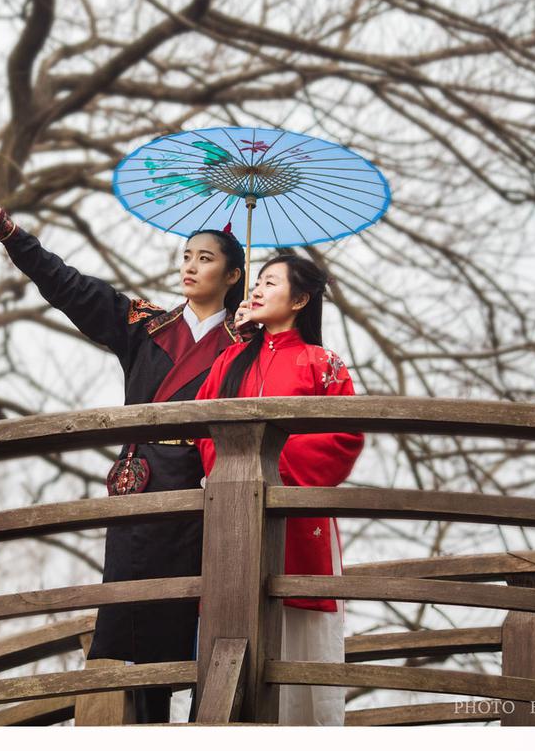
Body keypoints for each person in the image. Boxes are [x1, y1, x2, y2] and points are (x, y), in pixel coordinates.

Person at [0, 194, 252, 724]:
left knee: (212, 612)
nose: (190, 266)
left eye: (206, 258)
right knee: (136, 616)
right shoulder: (145, 325)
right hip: (141, 485)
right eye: (186, 256)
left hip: (209, 488)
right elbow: (71, 287)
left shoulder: (245, 343)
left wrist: (254, 333)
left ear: (234, 274)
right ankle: (147, 724)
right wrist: (13, 236)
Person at [194, 255, 364, 726]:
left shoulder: (323, 364)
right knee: (230, 615)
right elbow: (202, 428)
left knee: (301, 629)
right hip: (232, 511)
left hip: (299, 515)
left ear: (300, 299)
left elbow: (344, 437)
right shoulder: (229, 361)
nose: (256, 290)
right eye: (257, 282)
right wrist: (235, 465)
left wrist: (268, 460)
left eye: (270, 283)